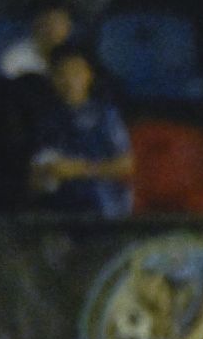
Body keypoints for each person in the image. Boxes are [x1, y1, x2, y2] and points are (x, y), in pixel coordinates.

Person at [26, 44, 131, 217]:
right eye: (61, 73)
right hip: (59, 211)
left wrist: (79, 170)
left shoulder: (106, 116)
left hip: (104, 208)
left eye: (75, 73)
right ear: (51, 78)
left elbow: (126, 165)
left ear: (89, 75)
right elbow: (35, 174)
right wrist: (42, 177)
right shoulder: (46, 120)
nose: (69, 80)